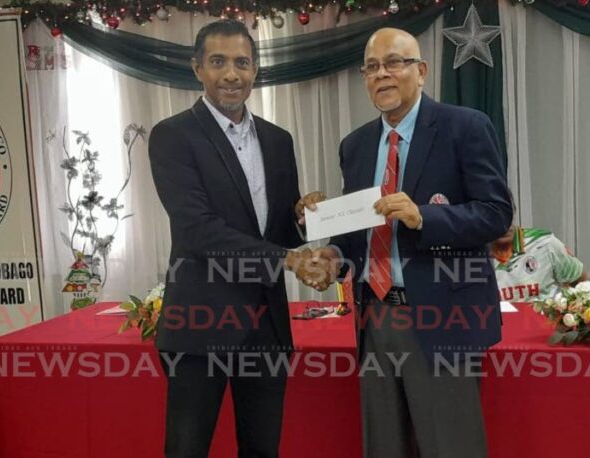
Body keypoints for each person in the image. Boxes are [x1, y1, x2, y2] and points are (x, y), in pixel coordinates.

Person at [296, 27, 512, 458]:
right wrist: (333, 255)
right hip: (375, 318)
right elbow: (356, 237)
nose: (383, 74)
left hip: (442, 316)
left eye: (394, 62)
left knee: (450, 445)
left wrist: (424, 217)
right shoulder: (355, 146)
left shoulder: (464, 127)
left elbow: (496, 214)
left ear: (422, 71)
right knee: (385, 446)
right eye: (372, 67)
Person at [147, 19, 316, 458]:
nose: (231, 74)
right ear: (197, 68)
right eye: (218, 62)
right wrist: (287, 259)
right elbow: (196, 229)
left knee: (263, 450)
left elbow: (277, 229)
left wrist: (300, 221)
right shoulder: (173, 135)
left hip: (267, 326)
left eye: (242, 62)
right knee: (186, 450)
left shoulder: (279, 140)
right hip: (200, 323)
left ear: (256, 69)